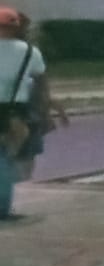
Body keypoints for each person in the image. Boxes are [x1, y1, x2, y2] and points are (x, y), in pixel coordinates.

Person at [0, 6, 48, 221]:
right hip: (14, 112)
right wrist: (43, 112)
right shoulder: (30, 52)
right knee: (6, 158)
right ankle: (3, 207)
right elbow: (41, 85)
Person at [13, 13, 66, 180]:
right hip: (26, 116)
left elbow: (42, 90)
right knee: (24, 162)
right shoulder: (29, 54)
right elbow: (42, 89)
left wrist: (56, 110)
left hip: (23, 115)